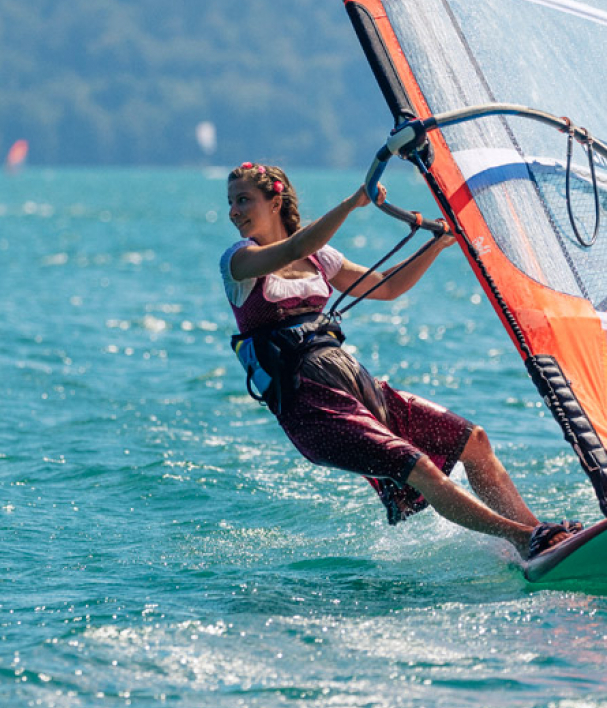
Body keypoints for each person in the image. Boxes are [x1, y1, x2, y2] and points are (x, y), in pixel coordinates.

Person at [220, 162, 580, 562]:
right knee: (420, 467)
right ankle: (522, 537)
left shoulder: (322, 259)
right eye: (231, 202)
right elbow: (293, 249)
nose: (233, 211)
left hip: (354, 385)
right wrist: (354, 202)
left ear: (275, 201)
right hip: (310, 406)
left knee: (472, 441)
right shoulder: (238, 262)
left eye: (243, 200)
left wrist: (435, 246)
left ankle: (539, 532)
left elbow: (387, 286)